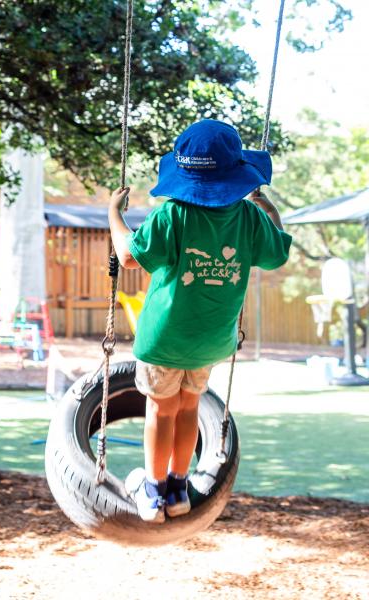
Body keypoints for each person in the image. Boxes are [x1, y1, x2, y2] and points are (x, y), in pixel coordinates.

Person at [108, 119, 292, 523]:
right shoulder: (249, 217)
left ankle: (153, 494)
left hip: (164, 340)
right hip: (211, 339)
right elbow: (277, 256)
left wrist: (113, 214)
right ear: (236, 173)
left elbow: (126, 257)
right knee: (189, 407)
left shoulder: (172, 214)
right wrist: (271, 209)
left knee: (161, 411)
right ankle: (178, 489)